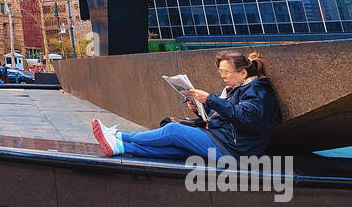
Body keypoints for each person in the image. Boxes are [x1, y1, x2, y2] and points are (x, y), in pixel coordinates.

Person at [92, 50, 281, 161]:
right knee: (178, 148)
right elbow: (227, 117)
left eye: (226, 72)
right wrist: (201, 109)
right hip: (225, 143)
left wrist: (210, 99)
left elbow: (247, 117)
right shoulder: (237, 89)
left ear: (242, 73)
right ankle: (121, 147)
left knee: (174, 131)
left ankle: (119, 136)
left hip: (236, 152)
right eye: (220, 72)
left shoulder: (258, 90)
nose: (223, 76)